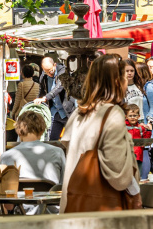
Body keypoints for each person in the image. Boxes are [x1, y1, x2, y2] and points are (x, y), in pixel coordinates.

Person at [59, 53, 141, 213]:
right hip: (102, 207)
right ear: (116, 81)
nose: (127, 81)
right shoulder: (113, 113)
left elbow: (66, 144)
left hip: (75, 202)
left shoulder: (79, 112)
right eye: (124, 77)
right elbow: (117, 170)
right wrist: (135, 190)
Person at [0, 112, 66, 185]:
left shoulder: (6, 156)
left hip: (18, 195)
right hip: (50, 195)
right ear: (42, 130)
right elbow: (64, 183)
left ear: (18, 131)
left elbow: (4, 187)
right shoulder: (57, 152)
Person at [36, 55, 75, 140]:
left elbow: (59, 87)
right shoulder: (44, 76)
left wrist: (45, 98)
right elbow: (41, 90)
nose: (49, 74)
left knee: (70, 139)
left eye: (50, 71)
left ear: (54, 65)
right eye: (46, 71)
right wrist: (38, 99)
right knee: (52, 140)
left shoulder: (63, 71)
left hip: (67, 111)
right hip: (55, 113)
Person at [124, 105, 151, 175]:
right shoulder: (122, 127)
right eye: (130, 116)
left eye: (134, 115)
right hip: (126, 156)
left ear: (138, 116)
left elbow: (145, 141)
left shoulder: (141, 128)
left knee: (137, 175)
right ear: (126, 116)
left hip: (138, 156)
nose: (133, 118)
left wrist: (148, 131)